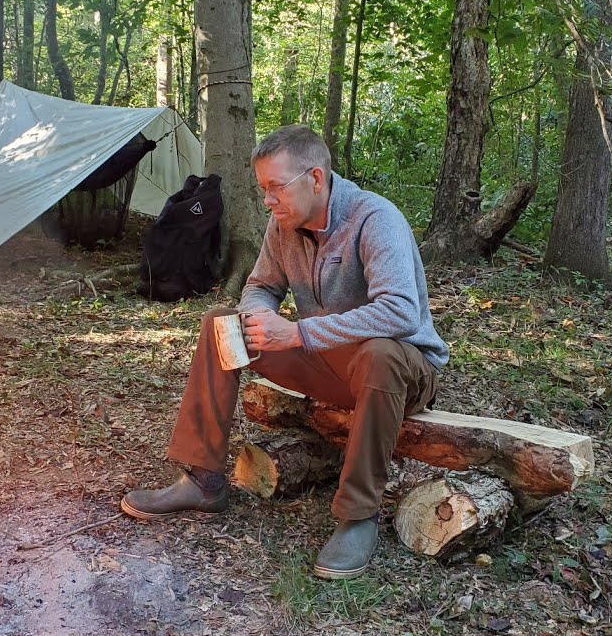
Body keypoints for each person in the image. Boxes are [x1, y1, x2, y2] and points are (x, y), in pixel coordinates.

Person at [120, 125, 448, 580]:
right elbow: (260, 287)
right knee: (221, 323)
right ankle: (204, 481)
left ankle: (358, 516)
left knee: (379, 354)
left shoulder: (376, 218)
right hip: (331, 362)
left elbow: (400, 313)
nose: (268, 201)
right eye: (263, 190)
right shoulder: (284, 226)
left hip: (402, 370)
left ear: (315, 178)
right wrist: (258, 320)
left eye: (276, 188)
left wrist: (296, 333)